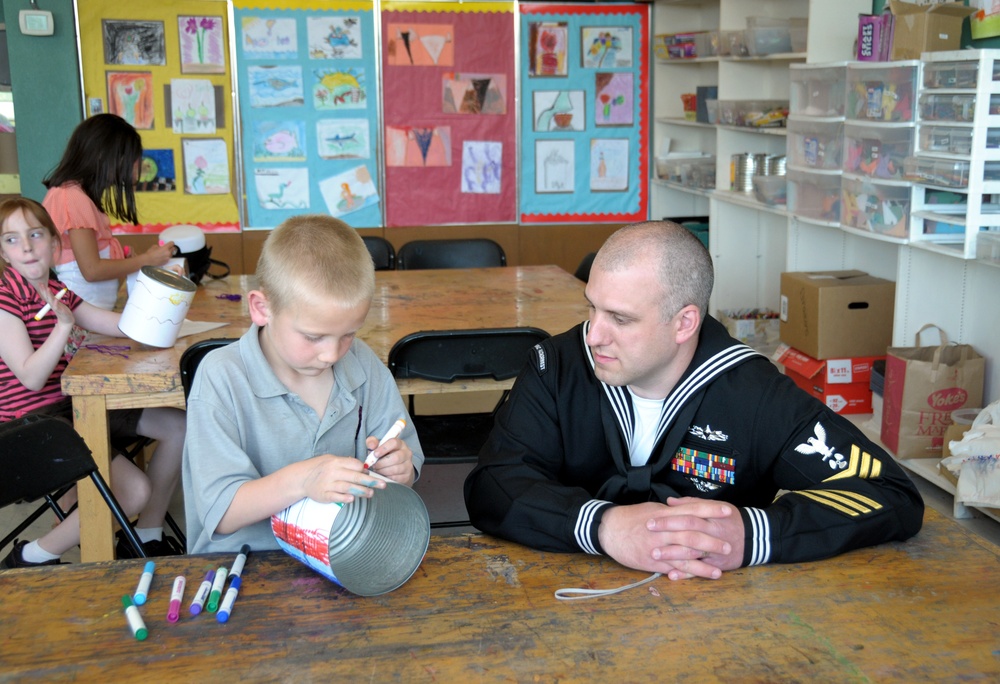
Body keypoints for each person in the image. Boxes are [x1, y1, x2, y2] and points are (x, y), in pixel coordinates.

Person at [465, 221, 924, 581]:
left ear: (685, 323)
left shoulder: (753, 393)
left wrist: (752, 535)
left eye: (620, 318)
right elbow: (493, 483)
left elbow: (892, 494)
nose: (594, 334)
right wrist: (603, 526)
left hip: (721, 616)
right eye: (592, 307)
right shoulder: (556, 367)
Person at [183, 214, 424, 554]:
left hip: (341, 555)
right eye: (314, 336)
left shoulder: (362, 362)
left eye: (348, 334)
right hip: (245, 564)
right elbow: (220, 513)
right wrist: (304, 480)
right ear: (261, 308)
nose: (331, 354)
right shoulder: (222, 377)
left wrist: (401, 470)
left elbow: (405, 460)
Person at [0, 198, 185, 567]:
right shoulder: (5, 296)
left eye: (35, 235)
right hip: (28, 425)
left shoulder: (55, 288)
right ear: (2, 251)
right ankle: (31, 555)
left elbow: (117, 325)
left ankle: (146, 536)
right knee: (132, 491)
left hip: (74, 404)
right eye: (11, 239)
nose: (26, 246)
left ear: (54, 243)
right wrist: (64, 326)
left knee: (179, 425)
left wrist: (163, 300)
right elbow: (31, 376)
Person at [42, 113, 176, 310]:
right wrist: (146, 260)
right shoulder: (72, 197)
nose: (135, 167)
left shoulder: (80, 196)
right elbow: (92, 270)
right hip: (83, 316)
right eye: (130, 159)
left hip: (92, 311)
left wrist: (126, 257)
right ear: (105, 156)